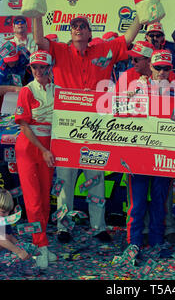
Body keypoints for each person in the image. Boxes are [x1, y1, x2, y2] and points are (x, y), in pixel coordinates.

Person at [32, 14, 141, 244]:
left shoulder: (104, 51)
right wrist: (36, 14)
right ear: (70, 33)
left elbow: (129, 37)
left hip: (95, 128)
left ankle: (98, 227)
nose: (78, 29)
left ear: (90, 33)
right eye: (74, 26)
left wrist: (142, 11)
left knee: (96, 178)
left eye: (83, 26)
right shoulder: (59, 51)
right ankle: (63, 227)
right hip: (66, 127)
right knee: (65, 180)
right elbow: (39, 39)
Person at [125, 50, 175, 254]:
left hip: (164, 153)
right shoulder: (137, 85)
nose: (162, 72)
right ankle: (133, 241)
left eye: (166, 68)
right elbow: (122, 111)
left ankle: (156, 240)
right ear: (151, 67)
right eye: (158, 67)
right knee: (136, 202)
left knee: (159, 201)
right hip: (138, 153)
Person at [14, 51, 57, 269]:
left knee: (44, 196)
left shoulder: (58, 90)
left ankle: (43, 244)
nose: (38, 71)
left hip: (49, 147)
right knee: (33, 201)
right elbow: (23, 125)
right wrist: (43, 150)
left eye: (42, 67)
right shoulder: (26, 90)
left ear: (50, 67)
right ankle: (40, 246)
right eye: (34, 68)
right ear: (30, 69)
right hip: (30, 148)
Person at [0, 188, 30, 261]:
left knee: (7, 237)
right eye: (3, 212)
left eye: (8, 212)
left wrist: (21, 246)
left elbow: (9, 236)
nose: (6, 215)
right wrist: (18, 251)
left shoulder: (3, 219)